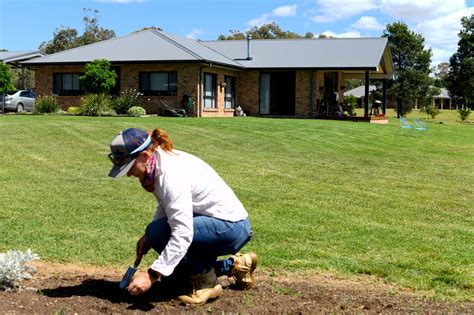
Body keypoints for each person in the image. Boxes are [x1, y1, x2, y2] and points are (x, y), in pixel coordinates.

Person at [107, 127, 258, 305]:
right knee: (169, 264)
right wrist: (148, 237)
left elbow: (182, 233)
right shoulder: (158, 163)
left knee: (159, 234)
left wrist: (152, 275)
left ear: (145, 157)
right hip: (215, 223)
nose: (129, 174)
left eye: (129, 167)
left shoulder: (170, 176)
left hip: (231, 227)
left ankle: (207, 283)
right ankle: (236, 265)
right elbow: (168, 206)